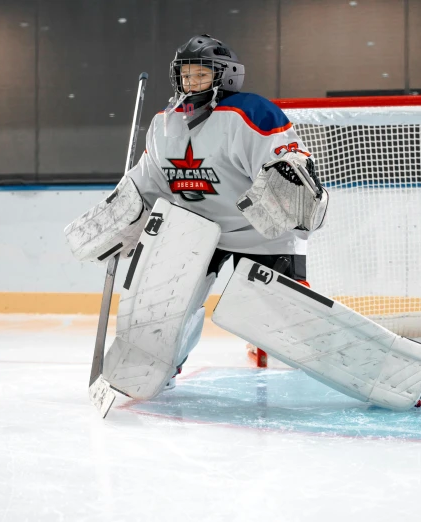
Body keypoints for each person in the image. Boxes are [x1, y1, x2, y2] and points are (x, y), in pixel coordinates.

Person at [65, 34, 329, 396]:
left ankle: (346, 360)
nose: (190, 82)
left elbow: (285, 166)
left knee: (284, 314)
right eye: (185, 75)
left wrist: (291, 175)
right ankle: (158, 367)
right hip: (195, 230)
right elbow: (149, 183)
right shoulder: (164, 123)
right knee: (166, 306)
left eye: (200, 74)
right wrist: (119, 219)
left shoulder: (250, 112)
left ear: (226, 75)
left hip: (259, 233)